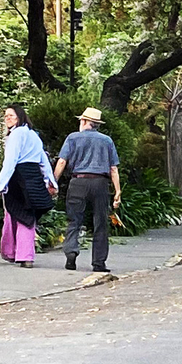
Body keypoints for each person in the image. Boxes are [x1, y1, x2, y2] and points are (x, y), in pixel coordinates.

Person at [54, 106, 123, 273]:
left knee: (74, 219)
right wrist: (117, 191)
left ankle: (71, 253)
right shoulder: (106, 140)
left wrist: (53, 181)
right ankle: (98, 263)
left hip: (78, 182)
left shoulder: (72, 138)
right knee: (100, 222)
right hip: (100, 183)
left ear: (84, 122)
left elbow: (62, 162)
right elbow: (113, 168)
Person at [0, 105, 55, 268]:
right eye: (6, 116)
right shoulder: (33, 135)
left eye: (11, 115)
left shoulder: (16, 135)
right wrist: (50, 181)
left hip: (18, 177)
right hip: (34, 176)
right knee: (27, 214)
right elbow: (43, 159)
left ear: (20, 117)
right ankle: (18, 253)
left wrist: (2, 183)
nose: (7, 118)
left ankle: (19, 253)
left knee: (18, 214)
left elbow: (11, 160)